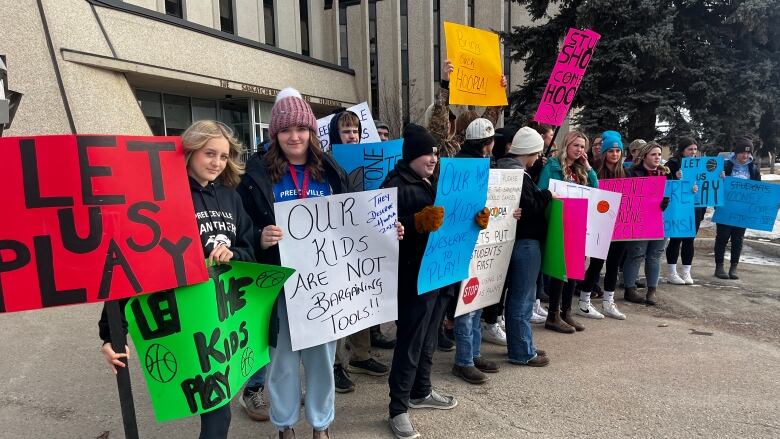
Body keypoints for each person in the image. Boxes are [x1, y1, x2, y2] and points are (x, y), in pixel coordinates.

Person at [99, 120, 255, 439]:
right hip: (179, 320)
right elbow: (131, 262)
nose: (216, 162)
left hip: (219, 318)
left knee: (218, 406)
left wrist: (234, 254)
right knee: (216, 408)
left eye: (223, 156)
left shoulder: (230, 196)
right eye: (209, 153)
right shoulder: (162, 195)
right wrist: (110, 333)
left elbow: (249, 249)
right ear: (190, 150)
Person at [236, 88, 349, 438]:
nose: (294, 136)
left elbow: (352, 220)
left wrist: (388, 229)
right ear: (275, 134)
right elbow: (240, 225)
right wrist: (259, 237)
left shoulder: (330, 172)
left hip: (322, 286)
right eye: (286, 130)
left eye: (301, 129)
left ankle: (321, 424)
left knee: (321, 362)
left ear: (311, 132)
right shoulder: (255, 175)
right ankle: (284, 426)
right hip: (279, 286)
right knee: (282, 363)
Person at [383, 124, 458, 439]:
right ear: (412, 154)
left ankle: (422, 390)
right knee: (410, 344)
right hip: (412, 279)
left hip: (438, 276)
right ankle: (398, 408)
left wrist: (474, 219)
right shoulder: (394, 185)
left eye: (436, 153)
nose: (433, 158)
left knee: (428, 341)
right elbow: (380, 233)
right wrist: (414, 223)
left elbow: (450, 217)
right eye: (428, 152)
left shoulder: (435, 181)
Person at [327, 108, 390, 392]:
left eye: (355, 131)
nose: (351, 136)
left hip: (365, 240)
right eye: (345, 131)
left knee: (363, 300)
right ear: (335, 136)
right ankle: (337, 364)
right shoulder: (325, 163)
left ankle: (360, 356)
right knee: (341, 303)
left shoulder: (369, 159)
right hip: (338, 243)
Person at [496, 126, 552, 365]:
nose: (538, 158)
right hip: (525, 243)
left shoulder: (510, 170)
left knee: (520, 297)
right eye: (536, 153)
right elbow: (529, 206)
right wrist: (547, 194)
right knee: (522, 298)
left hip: (518, 241)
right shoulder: (517, 175)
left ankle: (521, 344)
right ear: (528, 152)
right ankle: (522, 352)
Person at [450, 118, 498, 384]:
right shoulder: (472, 167)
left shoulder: (465, 164)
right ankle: (465, 359)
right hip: (469, 243)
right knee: (469, 303)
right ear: (488, 144)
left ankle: (473, 353)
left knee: (475, 298)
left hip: (472, 241)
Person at [538, 130, 598, 332]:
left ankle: (566, 312)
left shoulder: (581, 170)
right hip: (558, 223)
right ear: (567, 146)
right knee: (559, 270)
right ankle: (553, 314)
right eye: (576, 145)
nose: (579, 150)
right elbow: (542, 192)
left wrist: (589, 168)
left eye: (582, 147)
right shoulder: (553, 166)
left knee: (574, 270)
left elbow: (596, 191)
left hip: (577, 224)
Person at [576, 131, 628, 320]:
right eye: (611, 150)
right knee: (596, 264)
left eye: (618, 151)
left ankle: (608, 302)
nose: (615, 154)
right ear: (604, 152)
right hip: (600, 225)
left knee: (614, 265)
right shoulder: (595, 171)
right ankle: (584, 302)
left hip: (620, 226)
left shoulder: (626, 173)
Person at [623, 141, 671, 305]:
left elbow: (675, 193)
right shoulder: (631, 173)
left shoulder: (665, 174)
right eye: (653, 154)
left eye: (659, 154)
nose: (657, 157)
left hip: (660, 221)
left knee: (655, 256)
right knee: (636, 254)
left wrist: (690, 190)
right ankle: (630, 289)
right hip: (640, 221)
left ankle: (652, 291)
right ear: (644, 156)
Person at [714, 137, 762, 279]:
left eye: (748, 153)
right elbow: (714, 185)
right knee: (722, 237)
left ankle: (734, 267)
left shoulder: (753, 168)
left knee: (738, 238)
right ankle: (719, 266)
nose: (745, 156)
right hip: (725, 208)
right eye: (742, 153)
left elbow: (759, 189)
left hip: (743, 211)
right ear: (736, 152)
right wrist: (720, 177)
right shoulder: (726, 165)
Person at [665, 137, 704, 285]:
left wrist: (719, 176)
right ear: (682, 150)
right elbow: (665, 183)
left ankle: (686, 272)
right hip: (679, 206)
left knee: (690, 239)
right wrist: (675, 178)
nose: (693, 152)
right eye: (690, 149)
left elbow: (706, 181)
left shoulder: (700, 164)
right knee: (676, 239)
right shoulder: (673, 164)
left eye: (695, 149)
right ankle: (672, 272)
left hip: (695, 206)